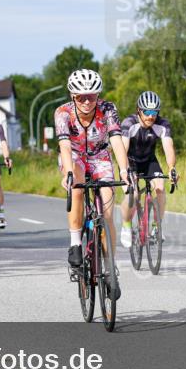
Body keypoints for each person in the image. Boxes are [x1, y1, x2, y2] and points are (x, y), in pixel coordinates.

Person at [55, 69, 130, 295]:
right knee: (77, 187)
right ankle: (76, 243)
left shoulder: (108, 109)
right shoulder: (63, 113)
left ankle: (110, 267)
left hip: (99, 156)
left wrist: (125, 170)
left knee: (107, 212)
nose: (87, 101)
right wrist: (68, 173)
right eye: (81, 97)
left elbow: (116, 139)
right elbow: (65, 146)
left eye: (92, 96)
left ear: (98, 95)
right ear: (72, 96)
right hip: (75, 156)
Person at [119, 91, 178, 247]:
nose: (151, 116)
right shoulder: (129, 123)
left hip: (149, 161)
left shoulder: (162, 124)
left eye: (154, 112)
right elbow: (122, 150)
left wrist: (172, 168)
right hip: (129, 161)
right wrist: (124, 170)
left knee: (160, 188)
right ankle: (126, 225)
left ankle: (156, 228)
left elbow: (168, 147)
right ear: (139, 110)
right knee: (134, 194)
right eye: (147, 112)